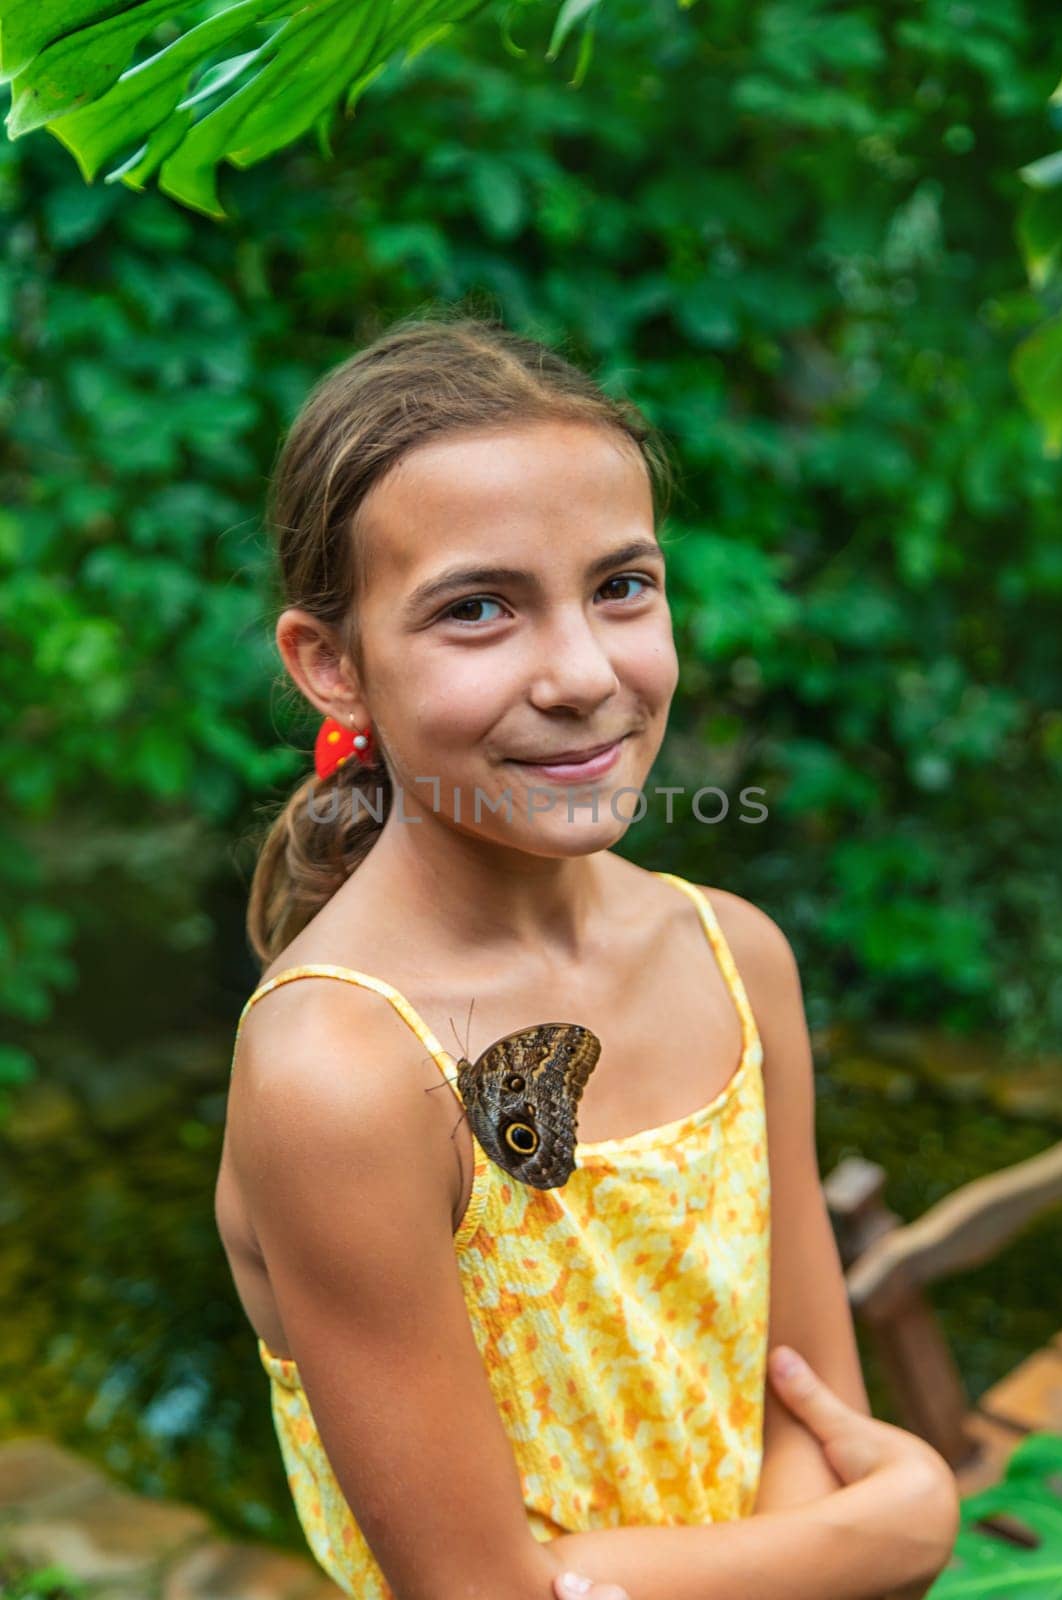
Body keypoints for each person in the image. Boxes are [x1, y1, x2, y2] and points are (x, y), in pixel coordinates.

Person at [216, 309, 959, 1600]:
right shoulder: (340, 1070)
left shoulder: (734, 957)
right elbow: (483, 1591)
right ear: (331, 666)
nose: (579, 673)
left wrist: (804, 1543)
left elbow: (814, 1420)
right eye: (479, 609)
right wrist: (892, 1533)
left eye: (621, 586)